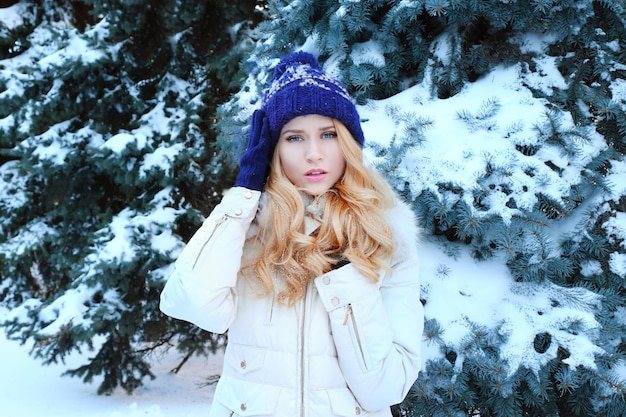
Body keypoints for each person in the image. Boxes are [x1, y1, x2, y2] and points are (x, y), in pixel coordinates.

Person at [160, 51, 424, 417]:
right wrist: (244, 197)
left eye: (328, 134)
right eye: (294, 138)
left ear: (348, 142)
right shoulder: (246, 227)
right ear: (272, 148)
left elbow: (385, 387)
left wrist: (343, 271)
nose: (314, 154)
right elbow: (191, 304)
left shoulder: (383, 235)